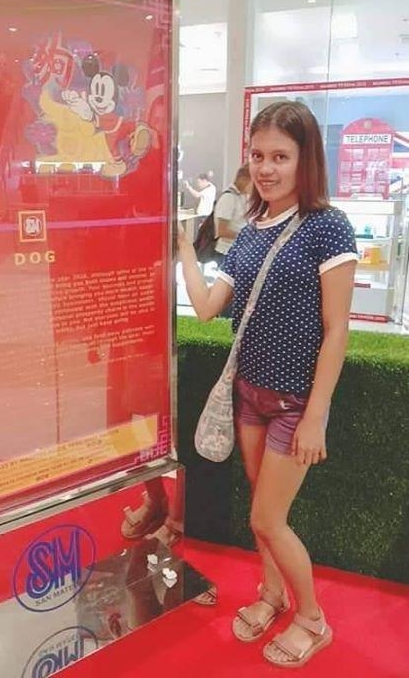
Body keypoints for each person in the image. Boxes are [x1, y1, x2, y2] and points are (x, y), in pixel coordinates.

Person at [178, 100, 358, 668]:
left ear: (306, 159)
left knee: (266, 519)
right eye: (258, 155)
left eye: (280, 156)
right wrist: (183, 245)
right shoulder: (252, 229)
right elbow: (207, 307)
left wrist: (316, 415)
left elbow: (337, 330)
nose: (266, 168)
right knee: (261, 506)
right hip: (249, 395)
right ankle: (272, 593)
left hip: (293, 402)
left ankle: (312, 619)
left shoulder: (327, 227)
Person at [213, 163, 250, 265]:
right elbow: (222, 231)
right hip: (226, 252)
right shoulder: (229, 198)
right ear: (243, 179)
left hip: (239, 250)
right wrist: (248, 237)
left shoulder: (242, 196)